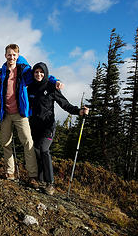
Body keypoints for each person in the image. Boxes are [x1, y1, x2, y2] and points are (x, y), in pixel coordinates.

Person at [0, 44, 63, 188]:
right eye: (9, 55)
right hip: (4, 113)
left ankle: (33, 176)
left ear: (18, 56)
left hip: (20, 113)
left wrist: (55, 80)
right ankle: (10, 172)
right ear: (5, 56)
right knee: (6, 143)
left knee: (28, 142)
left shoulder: (24, 71)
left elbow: (40, 74)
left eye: (14, 55)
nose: (11, 57)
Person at [28, 62, 89, 195]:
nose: (38, 74)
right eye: (36, 72)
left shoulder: (51, 87)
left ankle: (50, 183)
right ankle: (41, 180)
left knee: (44, 149)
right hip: (34, 126)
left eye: (41, 72)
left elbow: (65, 104)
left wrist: (79, 111)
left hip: (48, 126)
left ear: (45, 73)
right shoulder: (30, 88)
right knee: (37, 150)